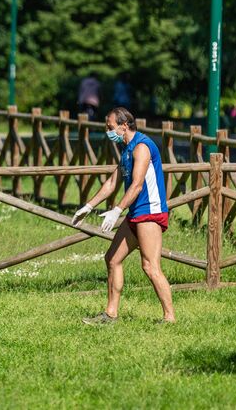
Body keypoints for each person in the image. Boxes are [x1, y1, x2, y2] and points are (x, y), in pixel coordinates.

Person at [72, 107, 175, 324]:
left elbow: (137, 185)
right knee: (112, 258)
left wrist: (117, 210)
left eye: (110, 127)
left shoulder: (142, 147)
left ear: (124, 125)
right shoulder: (127, 150)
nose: (108, 131)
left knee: (150, 266)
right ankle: (110, 315)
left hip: (150, 213)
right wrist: (88, 206)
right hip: (136, 213)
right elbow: (112, 182)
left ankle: (169, 317)